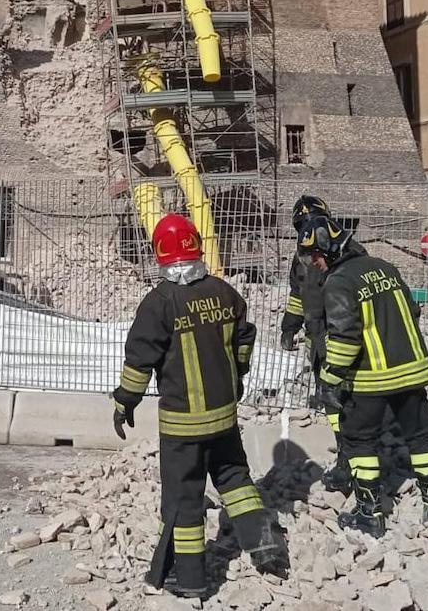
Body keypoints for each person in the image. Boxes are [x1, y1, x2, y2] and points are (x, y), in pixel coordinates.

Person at [112, 213, 288, 598]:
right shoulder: (224, 293)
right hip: (224, 417)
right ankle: (267, 548)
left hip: (183, 426)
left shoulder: (160, 302)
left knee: (184, 498)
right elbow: (244, 339)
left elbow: (140, 361)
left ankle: (190, 578)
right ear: (196, 245)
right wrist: (236, 377)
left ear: (160, 252)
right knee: (236, 480)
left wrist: (125, 400)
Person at [296, 214, 428, 538]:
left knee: (359, 441)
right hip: (412, 371)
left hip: (371, 379)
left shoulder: (339, 282)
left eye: (315, 256)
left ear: (329, 250)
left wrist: (330, 379)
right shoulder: (384, 268)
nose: (314, 264)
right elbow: (413, 311)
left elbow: (346, 338)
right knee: (421, 437)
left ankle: (369, 513)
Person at [279, 195, 352, 496]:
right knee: (333, 399)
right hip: (322, 339)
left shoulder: (343, 252)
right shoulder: (302, 258)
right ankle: (347, 453)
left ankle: (353, 456)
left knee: (345, 398)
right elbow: (298, 295)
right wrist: (289, 326)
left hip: (342, 336)